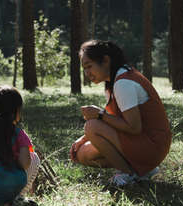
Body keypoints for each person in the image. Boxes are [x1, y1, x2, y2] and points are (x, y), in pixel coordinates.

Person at [69, 40, 172, 186]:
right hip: (142, 143)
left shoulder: (124, 82)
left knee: (92, 126)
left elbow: (134, 127)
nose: (87, 73)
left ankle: (128, 174)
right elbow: (116, 121)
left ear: (105, 60)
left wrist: (99, 114)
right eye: (84, 69)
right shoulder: (113, 82)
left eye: (89, 66)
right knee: (83, 154)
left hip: (153, 146)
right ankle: (142, 171)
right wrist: (83, 139)